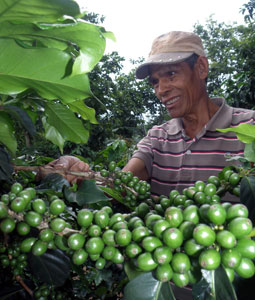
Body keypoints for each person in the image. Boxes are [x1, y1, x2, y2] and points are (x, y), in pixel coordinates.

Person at [43, 31, 255, 199]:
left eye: (171, 74)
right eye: (155, 81)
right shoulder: (157, 138)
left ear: (201, 68)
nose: (161, 90)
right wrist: (75, 174)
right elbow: (120, 185)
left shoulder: (250, 127)